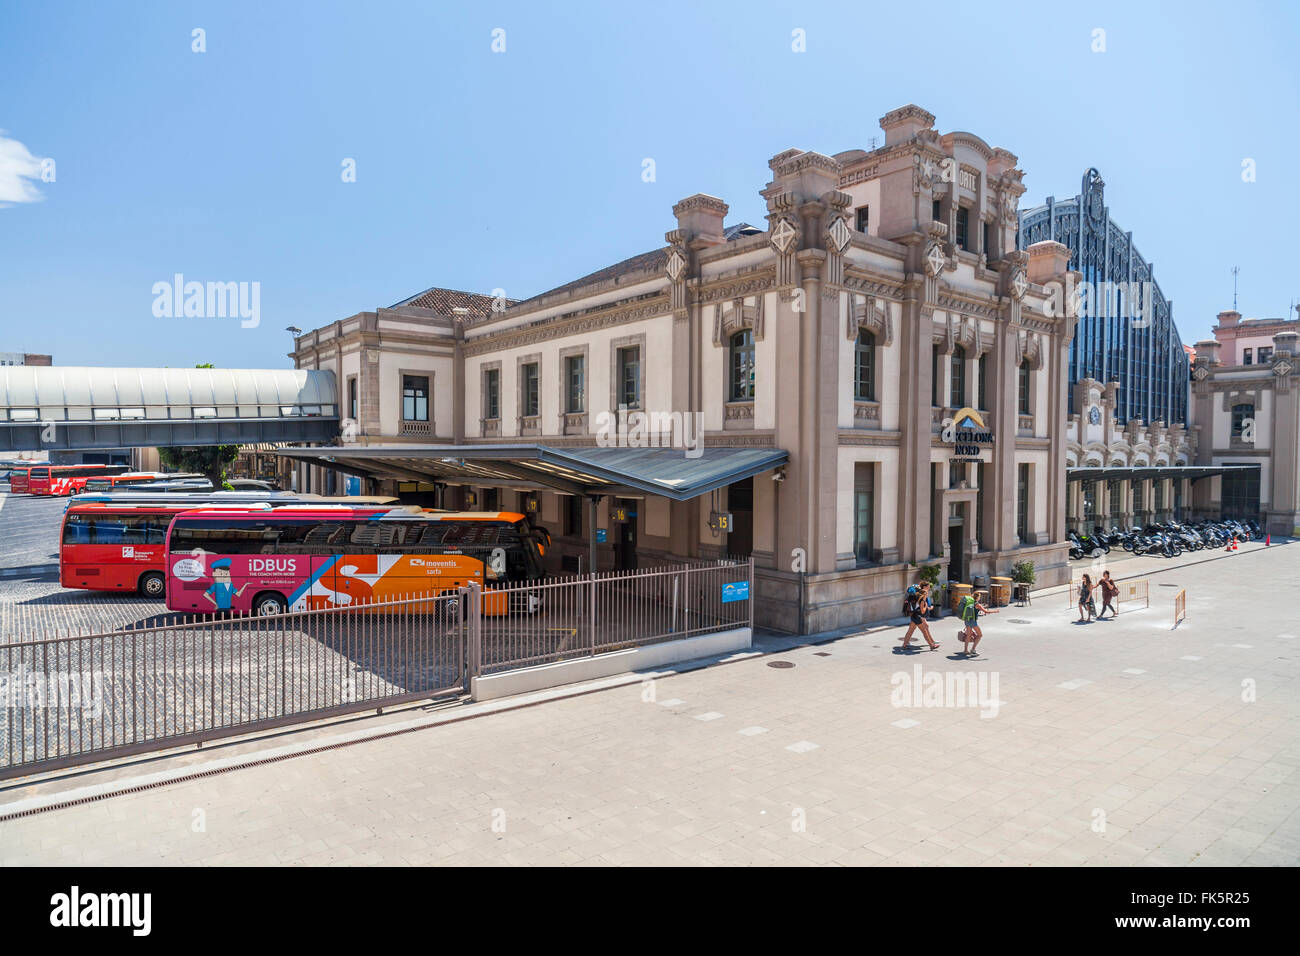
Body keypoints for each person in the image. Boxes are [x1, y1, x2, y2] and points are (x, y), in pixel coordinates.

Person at [901, 581, 940, 651]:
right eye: (926, 594)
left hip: (913, 615)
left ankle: (904, 645)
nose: (927, 595)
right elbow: (922, 611)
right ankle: (932, 645)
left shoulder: (916, 598)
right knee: (924, 631)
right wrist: (926, 607)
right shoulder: (921, 600)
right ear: (924, 594)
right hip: (917, 616)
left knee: (910, 631)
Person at [960, 590, 998, 656]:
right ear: (977, 597)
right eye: (979, 597)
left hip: (967, 620)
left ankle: (965, 650)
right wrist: (995, 611)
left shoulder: (970, 603)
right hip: (972, 621)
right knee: (980, 635)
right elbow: (986, 611)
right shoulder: (977, 604)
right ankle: (973, 650)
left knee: (968, 636)